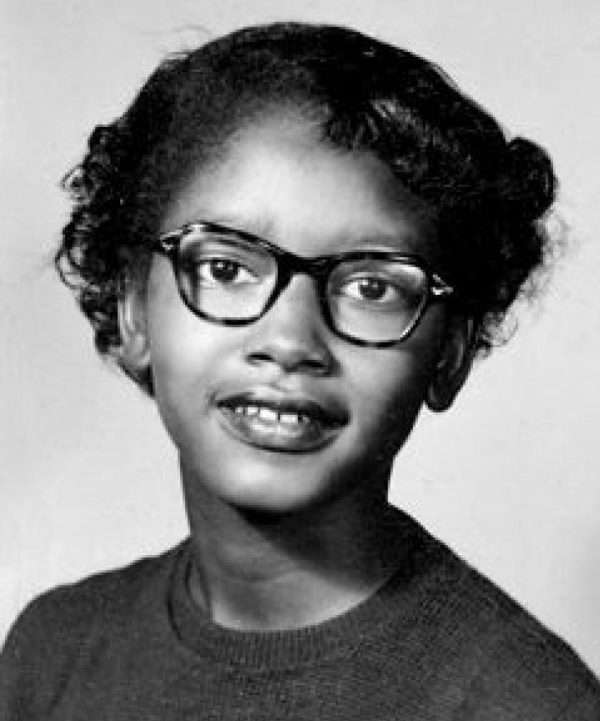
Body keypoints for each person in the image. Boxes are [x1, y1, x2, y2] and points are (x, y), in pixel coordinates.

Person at [1, 21, 598, 720]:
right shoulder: (53, 655)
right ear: (133, 309)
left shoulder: (527, 703)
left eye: (372, 285)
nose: (289, 339)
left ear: (451, 351)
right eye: (224, 267)